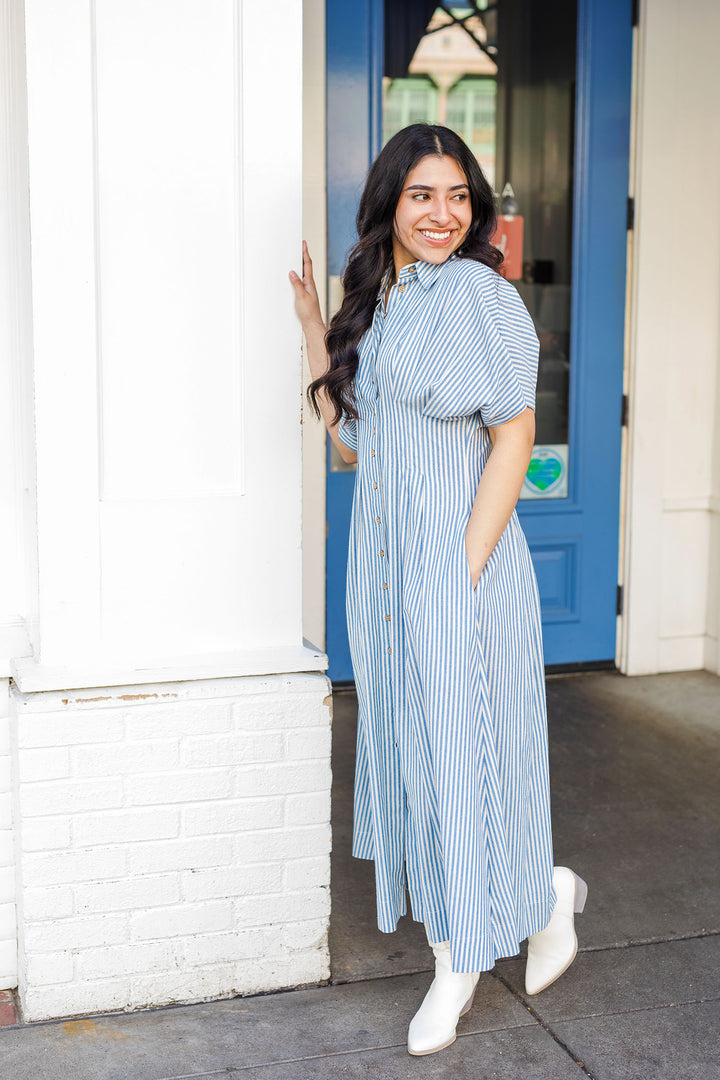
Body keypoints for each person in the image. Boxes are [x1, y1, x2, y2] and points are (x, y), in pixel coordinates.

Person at [289, 123, 586, 1058]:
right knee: (424, 759)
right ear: (390, 203)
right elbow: (352, 445)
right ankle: (545, 893)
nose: (443, 213)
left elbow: (513, 438)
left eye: (458, 196)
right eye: (423, 194)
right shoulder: (377, 304)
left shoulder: (481, 299)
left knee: (465, 761)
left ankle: (456, 962)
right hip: (384, 579)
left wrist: (459, 573)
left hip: (464, 570)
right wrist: (312, 329)